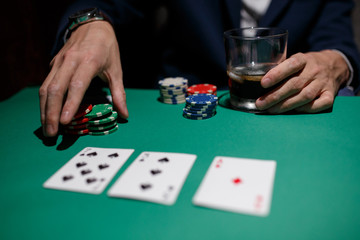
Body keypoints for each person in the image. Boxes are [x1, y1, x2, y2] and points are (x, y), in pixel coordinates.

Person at [39, 0, 360, 137]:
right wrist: (91, 22)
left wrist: (336, 64)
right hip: (179, 113)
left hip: (289, 116)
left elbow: (339, 42)